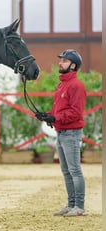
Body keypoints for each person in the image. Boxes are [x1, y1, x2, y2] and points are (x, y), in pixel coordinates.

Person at [35, 49, 86, 216]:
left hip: (71, 133)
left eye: (64, 61)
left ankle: (79, 207)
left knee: (75, 170)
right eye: (61, 60)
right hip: (62, 133)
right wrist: (47, 115)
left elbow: (75, 112)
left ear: (73, 65)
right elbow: (59, 110)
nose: (60, 63)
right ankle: (71, 204)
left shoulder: (76, 86)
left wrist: (54, 117)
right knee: (66, 171)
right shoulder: (62, 85)